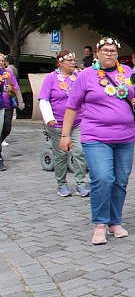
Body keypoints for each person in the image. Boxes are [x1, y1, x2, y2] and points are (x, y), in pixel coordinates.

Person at [60, 37, 135, 245]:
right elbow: (72, 106)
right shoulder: (86, 75)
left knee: (121, 179)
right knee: (103, 178)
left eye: (113, 50)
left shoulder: (127, 72)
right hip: (96, 136)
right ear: (97, 53)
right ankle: (100, 223)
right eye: (105, 50)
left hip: (125, 136)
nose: (109, 53)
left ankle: (115, 221)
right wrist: (65, 135)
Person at [39, 50, 89, 197]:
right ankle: (61, 184)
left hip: (78, 122)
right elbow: (44, 99)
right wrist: (49, 118)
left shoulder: (78, 76)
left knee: (80, 152)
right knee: (61, 154)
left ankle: (80, 183)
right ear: (60, 62)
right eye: (70, 60)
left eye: (74, 60)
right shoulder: (51, 78)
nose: (73, 63)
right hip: (58, 124)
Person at [0, 54, 24, 171]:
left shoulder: (8, 73)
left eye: (2, 61)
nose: (1, 62)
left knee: (6, 129)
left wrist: (20, 101)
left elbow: (16, 88)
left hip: (7, 105)